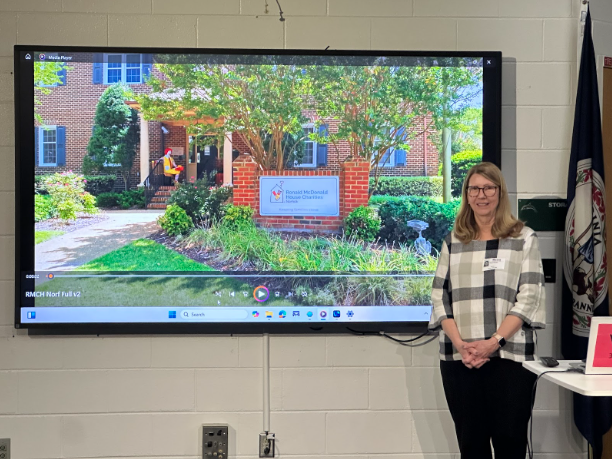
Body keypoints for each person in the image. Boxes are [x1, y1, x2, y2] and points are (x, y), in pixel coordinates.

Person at [429, 162, 546, 459]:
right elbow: (438, 296)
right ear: (467, 195)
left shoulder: (523, 239)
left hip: (510, 358)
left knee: (510, 442)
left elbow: (529, 297)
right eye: (474, 189)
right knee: (471, 445)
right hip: (461, 358)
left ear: (499, 192)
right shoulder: (453, 241)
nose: (482, 195)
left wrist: (493, 343)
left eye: (488, 188)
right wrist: (462, 345)